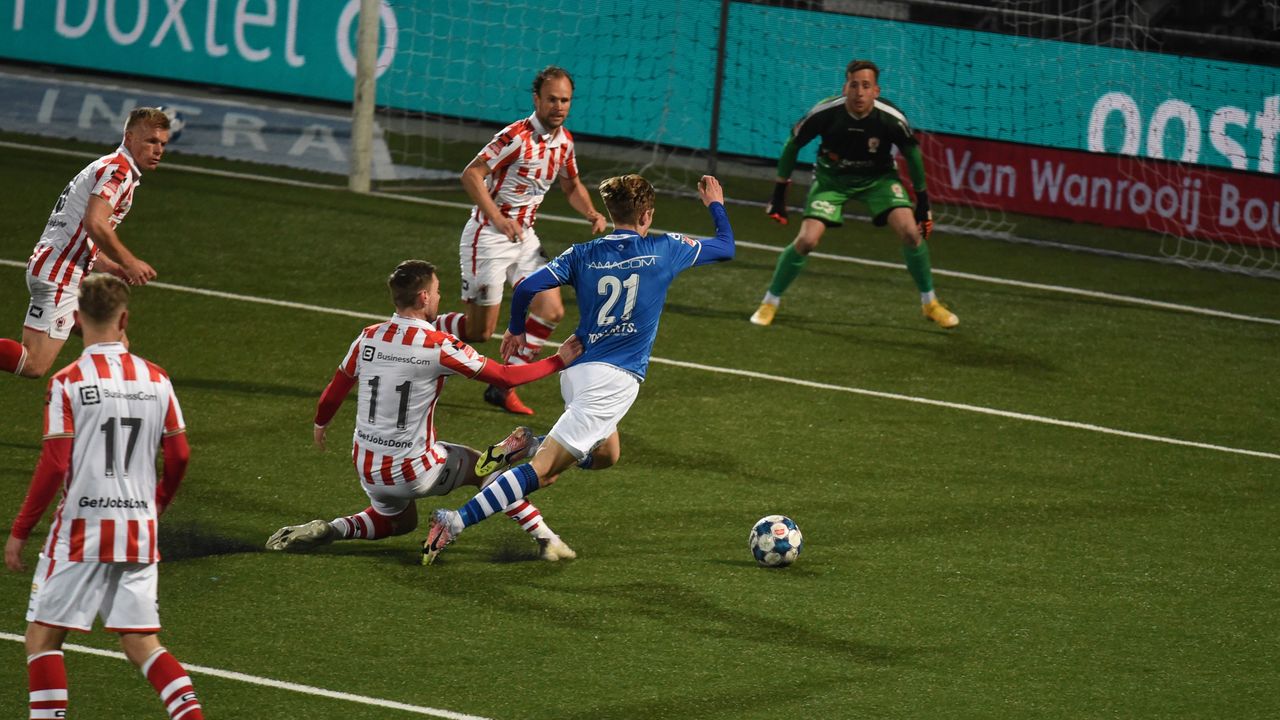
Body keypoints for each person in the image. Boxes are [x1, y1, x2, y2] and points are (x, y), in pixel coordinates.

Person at [422, 174, 735, 564]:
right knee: (544, 472)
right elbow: (725, 247)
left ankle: (530, 442)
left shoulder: (581, 254)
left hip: (578, 371)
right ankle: (454, 520)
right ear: (648, 215)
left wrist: (516, 330)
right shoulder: (665, 248)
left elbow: (524, 290)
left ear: (611, 211)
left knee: (607, 454)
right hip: (611, 382)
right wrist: (714, 205)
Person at [265, 260, 583, 562]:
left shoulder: (368, 337)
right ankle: (547, 539)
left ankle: (333, 528)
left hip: (366, 465)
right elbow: (503, 376)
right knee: (485, 470)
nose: (439, 297)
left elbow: (335, 390)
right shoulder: (438, 345)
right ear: (424, 296)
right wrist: (559, 360)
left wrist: (321, 423)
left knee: (400, 521)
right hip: (414, 469)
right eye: (438, 290)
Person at [5, 274, 203, 720]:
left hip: (82, 531)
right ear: (125, 318)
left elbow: (55, 465)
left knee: (42, 639)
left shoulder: (67, 381)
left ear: (75, 320)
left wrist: (20, 531)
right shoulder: (157, 379)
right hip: (138, 528)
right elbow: (180, 455)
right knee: (141, 643)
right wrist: (156, 506)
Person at [433, 65, 608, 417]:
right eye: (552, 99)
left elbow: (571, 185)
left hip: (525, 238)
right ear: (537, 99)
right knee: (480, 331)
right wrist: (498, 218)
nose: (559, 107)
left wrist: (591, 212)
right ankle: (427, 331)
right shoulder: (516, 136)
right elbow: (471, 174)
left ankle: (503, 385)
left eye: (565, 100)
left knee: (552, 309)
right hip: (489, 237)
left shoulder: (564, 143)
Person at [749, 59, 959, 329]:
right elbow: (793, 145)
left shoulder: (890, 118)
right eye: (854, 85)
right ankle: (769, 302)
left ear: (876, 91)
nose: (860, 92)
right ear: (845, 87)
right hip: (832, 180)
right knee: (807, 240)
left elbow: (912, 154)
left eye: (866, 86)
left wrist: (923, 203)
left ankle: (930, 304)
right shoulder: (825, 112)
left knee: (910, 233)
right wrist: (779, 194)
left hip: (878, 179)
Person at [0, 107, 168, 380]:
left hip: (63, 269)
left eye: (162, 143)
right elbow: (95, 222)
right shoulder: (118, 171)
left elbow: (81, 233)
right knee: (33, 364)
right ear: (129, 137)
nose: (158, 150)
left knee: (115, 344)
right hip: (60, 274)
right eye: (151, 141)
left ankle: (103, 412)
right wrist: (129, 261)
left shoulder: (111, 167)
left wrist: (111, 267)